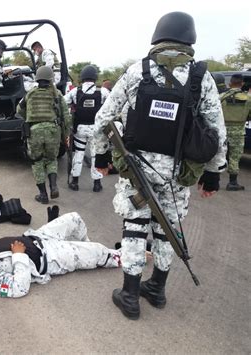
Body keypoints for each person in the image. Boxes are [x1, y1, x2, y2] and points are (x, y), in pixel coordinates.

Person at [91, 12, 227, 320]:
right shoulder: (200, 77)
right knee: (169, 231)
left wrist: (100, 157)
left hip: (136, 169)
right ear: (189, 39)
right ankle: (157, 289)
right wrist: (213, 173)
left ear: (157, 37)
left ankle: (129, 294)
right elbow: (215, 131)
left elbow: (104, 119)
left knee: (135, 229)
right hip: (178, 174)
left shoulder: (137, 72)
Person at [0, 211, 121, 298]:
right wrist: (18, 256)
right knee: (98, 252)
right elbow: (19, 289)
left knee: (74, 219)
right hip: (51, 257)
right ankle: (123, 258)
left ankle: (84, 247)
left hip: (39, 237)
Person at [17, 66, 71, 204]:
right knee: (52, 159)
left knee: (37, 162)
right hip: (53, 130)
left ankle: (43, 195)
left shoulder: (30, 94)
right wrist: (66, 135)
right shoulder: (57, 94)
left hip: (34, 131)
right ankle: (53, 186)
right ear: (51, 79)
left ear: (37, 78)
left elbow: (19, 110)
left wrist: (28, 117)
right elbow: (66, 116)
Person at [64, 65, 107, 192]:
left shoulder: (75, 91)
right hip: (96, 129)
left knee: (79, 153)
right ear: (95, 77)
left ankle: (75, 182)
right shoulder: (102, 91)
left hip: (80, 128)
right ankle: (97, 184)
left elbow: (63, 101)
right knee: (95, 155)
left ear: (82, 77)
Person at [219, 74, 250, 191]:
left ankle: (213, 180)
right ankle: (232, 183)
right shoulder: (248, 99)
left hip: (222, 130)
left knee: (218, 154)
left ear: (230, 83)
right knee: (234, 157)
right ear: (242, 84)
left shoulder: (221, 97)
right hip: (238, 132)